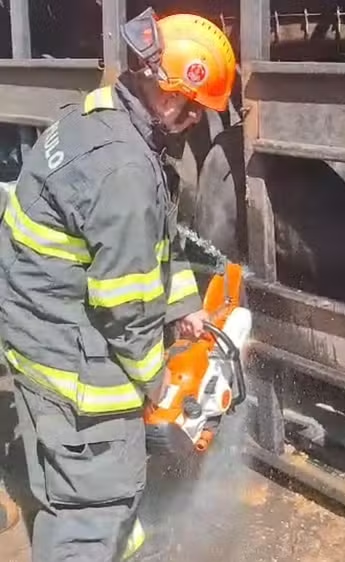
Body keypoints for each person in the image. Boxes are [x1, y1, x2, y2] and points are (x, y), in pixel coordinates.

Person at [0, 9, 236, 561]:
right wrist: (161, 383)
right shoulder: (125, 171)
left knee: (90, 493)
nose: (195, 124)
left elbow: (153, 237)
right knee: (93, 503)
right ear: (173, 96)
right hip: (69, 355)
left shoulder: (103, 116)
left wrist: (183, 304)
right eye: (195, 113)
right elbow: (124, 306)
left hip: (37, 328)